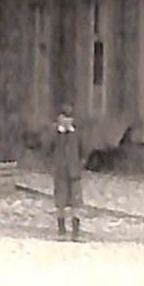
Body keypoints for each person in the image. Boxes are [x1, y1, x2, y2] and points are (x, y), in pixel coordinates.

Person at [46, 102, 85, 240]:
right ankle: (61, 231)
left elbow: (83, 150)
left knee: (76, 204)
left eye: (69, 118)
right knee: (61, 203)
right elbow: (47, 148)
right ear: (59, 118)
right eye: (64, 117)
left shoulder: (77, 133)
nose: (67, 120)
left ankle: (76, 232)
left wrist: (80, 165)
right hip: (60, 173)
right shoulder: (54, 132)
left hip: (74, 173)